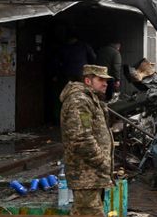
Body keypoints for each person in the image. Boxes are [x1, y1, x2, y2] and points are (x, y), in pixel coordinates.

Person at [60, 65, 114, 216]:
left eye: (106, 80)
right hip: (86, 173)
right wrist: (101, 161)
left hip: (92, 174)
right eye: (101, 79)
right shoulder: (79, 100)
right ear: (88, 81)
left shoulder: (91, 99)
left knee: (82, 212)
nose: (105, 83)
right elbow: (81, 137)